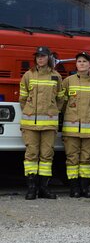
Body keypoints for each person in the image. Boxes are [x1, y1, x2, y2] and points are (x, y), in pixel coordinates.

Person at [19, 46, 64, 200]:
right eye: (38, 56)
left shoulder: (56, 76)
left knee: (46, 156)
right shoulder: (28, 75)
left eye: (43, 56)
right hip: (30, 124)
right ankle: (32, 189)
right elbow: (23, 99)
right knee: (31, 155)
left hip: (49, 124)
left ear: (49, 58)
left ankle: (44, 188)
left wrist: (52, 112)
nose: (40, 58)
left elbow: (60, 99)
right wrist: (29, 112)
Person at [62, 52, 90, 198]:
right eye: (79, 61)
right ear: (76, 64)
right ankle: (74, 188)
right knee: (72, 159)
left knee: (86, 159)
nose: (82, 64)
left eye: (85, 61)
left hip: (89, 129)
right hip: (71, 129)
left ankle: (85, 188)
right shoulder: (68, 81)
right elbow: (63, 103)